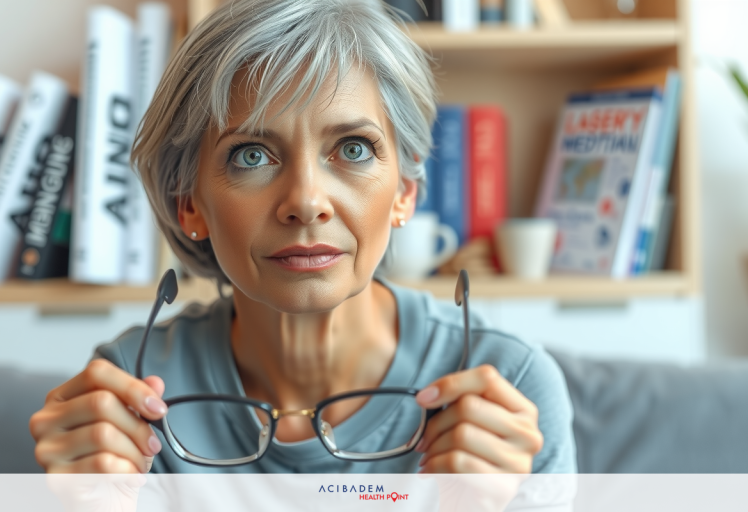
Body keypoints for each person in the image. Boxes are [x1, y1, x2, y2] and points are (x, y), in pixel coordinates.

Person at [29, 0, 576, 474]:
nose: (307, 202)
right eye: (251, 155)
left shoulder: (511, 391)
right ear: (189, 204)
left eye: (354, 149)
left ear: (406, 191)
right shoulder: (130, 390)